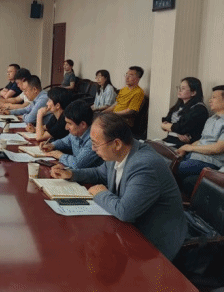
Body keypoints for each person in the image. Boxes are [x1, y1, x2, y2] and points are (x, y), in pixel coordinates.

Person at [51, 113, 187, 261]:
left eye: (96, 144)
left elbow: (125, 211)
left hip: (153, 243)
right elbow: (99, 173)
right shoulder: (119, 153)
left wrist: (100, 193)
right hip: (127, 228)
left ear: (117, 144)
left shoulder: (144, 165)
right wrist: (71, 174)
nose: (93, 149)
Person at [175, 85, 224, 180]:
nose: (210, 100)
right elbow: (202, 140)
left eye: (214, 97)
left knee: (173, 168)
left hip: (210, 161)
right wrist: (185, 149)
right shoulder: (211, 119)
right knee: (168, 161)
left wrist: (190, 147)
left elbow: (218, 148)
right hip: (196, 156)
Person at [40, 100, 102, 168]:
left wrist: (60, 155)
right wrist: (52, 145)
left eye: (69, 123)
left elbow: (77, 164)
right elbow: (64, 142)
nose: (66, 127)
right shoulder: (76, 133)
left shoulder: (93, 140)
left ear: (83, 124)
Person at [160, 77, 209, 148]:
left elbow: (181, 128)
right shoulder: (178, 106)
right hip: (169, 141)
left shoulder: (199, 109)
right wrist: (166, 126)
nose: (179, 90)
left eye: (183, 88)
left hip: (182, 145)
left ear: (193, 92)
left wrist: (168, 127)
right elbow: (166, 122)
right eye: (179, 88)